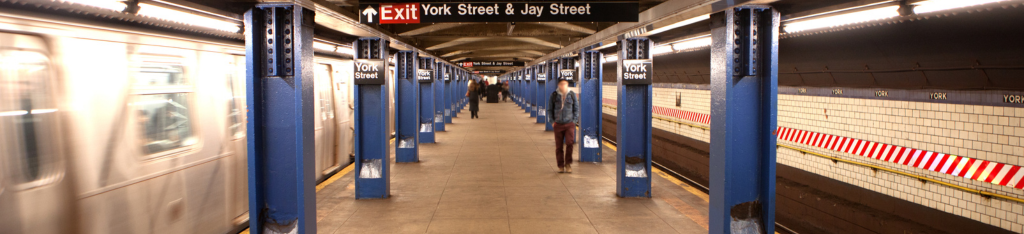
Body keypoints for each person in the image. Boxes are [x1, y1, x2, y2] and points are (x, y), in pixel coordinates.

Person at [547, 79, 579, 173]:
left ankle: (568, 164)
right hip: (558, 124)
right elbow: (550, 109)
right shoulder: (554, 95)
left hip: (569, 124)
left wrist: (574, 121)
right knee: (559, 146)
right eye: (561, 84)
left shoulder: (572, 95)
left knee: (570, 143)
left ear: (567, 84)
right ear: (558, 85)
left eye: (564, 84)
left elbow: (576, 109)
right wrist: (552, 122)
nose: (563, 85)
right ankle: (560, 165)